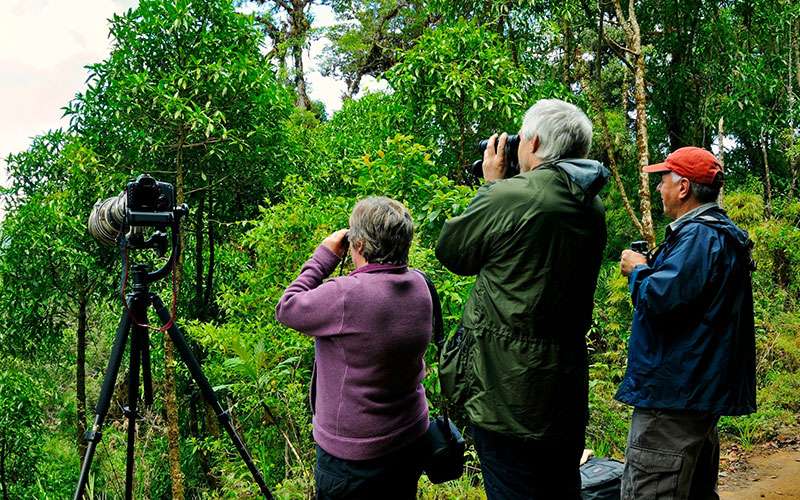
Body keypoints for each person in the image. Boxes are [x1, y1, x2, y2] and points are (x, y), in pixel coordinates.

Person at [435, 99, 609, 499]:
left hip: (508, 392)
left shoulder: (513, 196)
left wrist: (493, 186)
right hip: (564, 388)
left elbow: (453, 252)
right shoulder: (591, 205)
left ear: (531, 143)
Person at [618, 146, 756, 499]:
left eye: (663, 180)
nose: (658, 188)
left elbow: (661, 300)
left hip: (673, 399)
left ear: (683, 188)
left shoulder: (699, 236)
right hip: (694, 393)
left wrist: (638, 270)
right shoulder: (717, 234)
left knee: (650, 490)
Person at [275, 197, 432, 499]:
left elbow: (287, 307)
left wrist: (324, 256)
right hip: (409, 437)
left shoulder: (347, 295)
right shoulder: (420, 285)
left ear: (357, 244)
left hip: (354, 457)